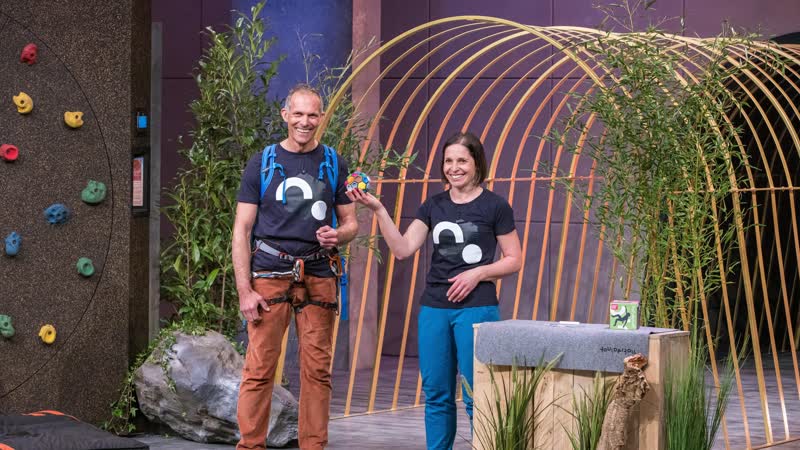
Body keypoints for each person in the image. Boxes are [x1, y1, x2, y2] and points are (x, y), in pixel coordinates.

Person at [347, 131, 522, 449]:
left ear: (476, 163)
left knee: (477, 393)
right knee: (437, 395)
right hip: (435, 308)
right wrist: (378, 210)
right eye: (449, 161)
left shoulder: (495, 206)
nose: (454, 168)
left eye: (462, 161)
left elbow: (514, 260)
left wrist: (478, 274)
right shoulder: (433, 205)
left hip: (478, 307)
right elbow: (402, 248)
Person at [233, 83, 358, 450]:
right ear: (285, 115)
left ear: (321, 118)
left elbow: (351, 223)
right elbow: (241, 230)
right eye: (298, 114)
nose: (305, 121)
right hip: (270, 274)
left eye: (312, 115)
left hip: (319, 275)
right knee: (259, 370)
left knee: (317, 372)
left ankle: (313, 447)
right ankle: (250, 446)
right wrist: (245, 290)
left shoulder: (334, 161)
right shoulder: (262, 161)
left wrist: (340, 235)